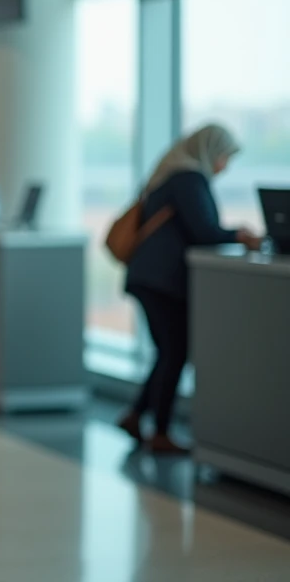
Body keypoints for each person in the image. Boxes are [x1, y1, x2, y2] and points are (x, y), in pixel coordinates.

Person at [118, 125, 263, 455]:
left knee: (168, 351)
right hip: (162, 281)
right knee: (175, 352)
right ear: (211, 150)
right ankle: (161, 431)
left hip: (147, 277)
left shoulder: (168, 174)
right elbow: (204, 230)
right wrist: (240, 235)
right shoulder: (188, 178)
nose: (224, 166)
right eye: (225, 157)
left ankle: (137, 415)